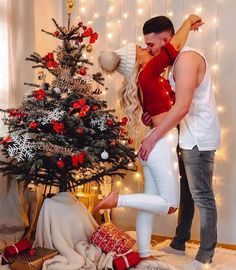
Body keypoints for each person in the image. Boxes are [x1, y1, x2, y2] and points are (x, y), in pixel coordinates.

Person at [95, 15, 203, 261]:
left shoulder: (148, 79)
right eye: (141, 49)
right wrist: (187, 22)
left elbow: (158, 109)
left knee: (150, 202)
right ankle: (117, 199)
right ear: (138, 60)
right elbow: (171, 48)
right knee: (168, 205)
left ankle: (143, 253)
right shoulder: (148, 72)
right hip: (160, 144)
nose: (146, 49)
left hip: (153, 143)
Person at [138, 16, 221, 270]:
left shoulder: (186, 59)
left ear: (166, 40)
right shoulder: (174, 62)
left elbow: (183, 107)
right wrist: (153, 115)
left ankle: (205, 255)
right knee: (187, 192)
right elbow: (173, 103)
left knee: (202, 195)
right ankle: (179, 241)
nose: (149, 50)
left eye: (151, 45)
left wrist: (152, 137)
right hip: (184, 134)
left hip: (198, 137)